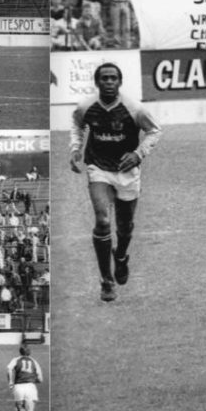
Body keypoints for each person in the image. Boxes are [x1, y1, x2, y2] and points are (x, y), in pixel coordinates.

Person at [69, 62, 161, 301]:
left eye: (113, 78)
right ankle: (106, 281)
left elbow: (155, 131)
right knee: (102, 220)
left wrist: (138, 154)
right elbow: (77, 125)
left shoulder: (134, 108)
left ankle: (120, 256)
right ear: (97, 82)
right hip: (98, 168)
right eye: (104, 78)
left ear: (119, 82)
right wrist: (76, 148)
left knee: (125, 227)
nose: (109, 82)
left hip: (126, 172)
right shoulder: (86, 106)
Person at [6, 344, 43, 411]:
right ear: (29, 352)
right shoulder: (34, 361)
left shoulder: (16, 359)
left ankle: (19, 407)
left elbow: (9, 368)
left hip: (18, 387)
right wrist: (35, 379)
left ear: (20, 352)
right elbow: (40, 378)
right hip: (30, 387)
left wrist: (10, 382)